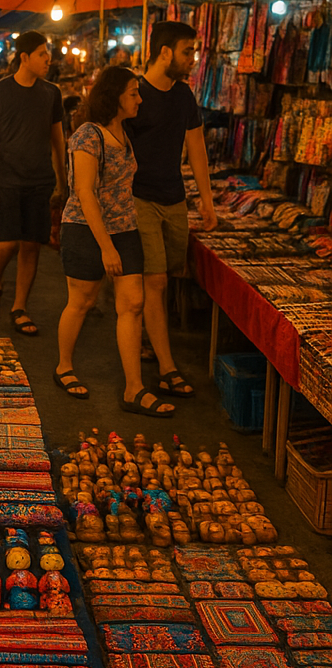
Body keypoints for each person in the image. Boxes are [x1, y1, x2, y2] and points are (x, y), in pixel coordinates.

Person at [55, 67, 175, 416]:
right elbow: (84, 193)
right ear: (114, 96)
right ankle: (63, 366)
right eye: (134, 93)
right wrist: (106, 246)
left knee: (133, 304)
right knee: (82, 301)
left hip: (125, 229)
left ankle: (134, 389)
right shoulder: (87, 136)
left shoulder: (124, 131)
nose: (139, 99)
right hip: (85, 229)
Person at [126, 20, 218, 398]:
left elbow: (196, 146)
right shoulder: (135, 94)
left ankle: (150, 336)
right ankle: (167, 368)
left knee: (169, 276)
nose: (193, 59)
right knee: (157, 280)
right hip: (140, 197)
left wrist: (207, 199)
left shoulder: (183, 96)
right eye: (187, 51)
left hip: (175, 198)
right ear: (165, 52)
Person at [0, 31, 66, 335]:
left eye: (48, 53)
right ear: (24, 57)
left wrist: (63, 180)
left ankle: (20, 306)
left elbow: (57, 139)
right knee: (6, 241)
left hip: (40, 180)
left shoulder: (51, 93)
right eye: (42, 53)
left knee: (32, 245)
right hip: (6, 179)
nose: (48, 59)